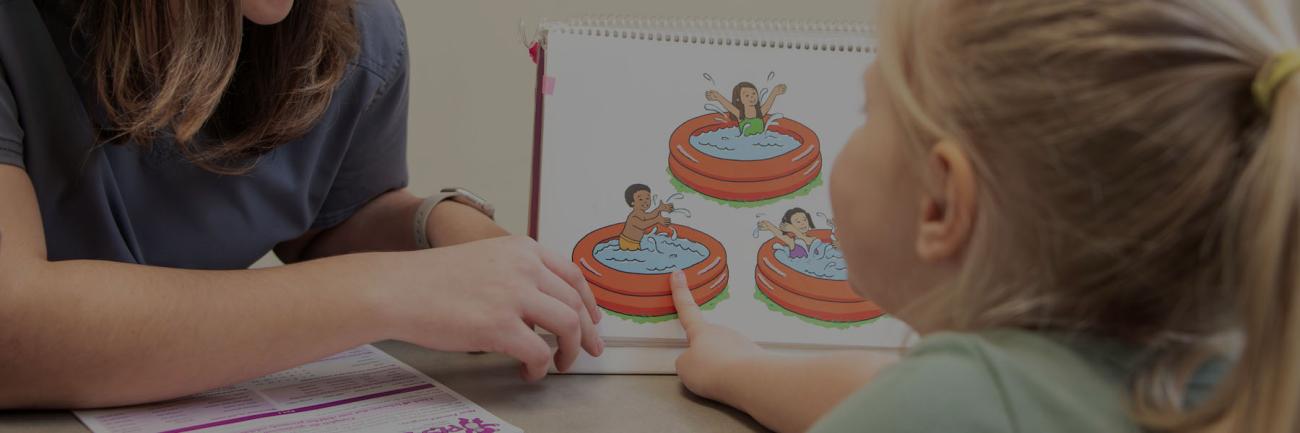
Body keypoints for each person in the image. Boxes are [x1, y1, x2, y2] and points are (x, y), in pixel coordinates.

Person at [668, 1, 1300, 432]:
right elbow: (886, 388)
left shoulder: (943, 408)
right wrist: (739, 370)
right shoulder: (1238, 375)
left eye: (867, 110)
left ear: (942, 204)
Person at [0, 0, 602, 408]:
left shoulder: (352, 27)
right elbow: (13, 324)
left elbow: (327, 221)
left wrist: (440, 226)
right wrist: (389, 291)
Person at [706, 82, 786, 136]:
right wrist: (717, 96)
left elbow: (769, 102)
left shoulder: (760, 112)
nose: (751, 97)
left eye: (754, 93)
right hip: (745, 143)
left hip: (761, 142)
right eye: (747, 95)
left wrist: (775, 91)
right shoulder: (740, 114)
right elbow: (728, 106)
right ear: (739, 99)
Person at [619, 184, 672, 251]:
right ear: (632, 202)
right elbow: (642, 225)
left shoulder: (641, 213)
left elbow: (650, 215)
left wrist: (659, 209)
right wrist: (657, 220)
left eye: (647, 198)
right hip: (627, 242)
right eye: (640, 199)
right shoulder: (633, 216)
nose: (645, 201)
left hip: (635, 242)